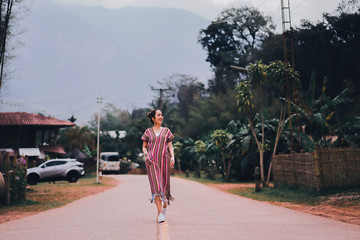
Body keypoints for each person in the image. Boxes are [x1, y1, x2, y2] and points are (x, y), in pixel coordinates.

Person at [142, 109, 175, 223]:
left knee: (164, 188)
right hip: (152, 161)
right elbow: (144, 146)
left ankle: (164, 209)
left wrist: (172, 157)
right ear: (153, 118)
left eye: (162, 115)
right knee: (156, 188)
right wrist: (146, 155)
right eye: (158, 115)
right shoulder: (148, 132)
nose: (161, 117)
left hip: (164, 161)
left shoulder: (166, 131)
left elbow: (170, 146)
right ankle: (160, 214)